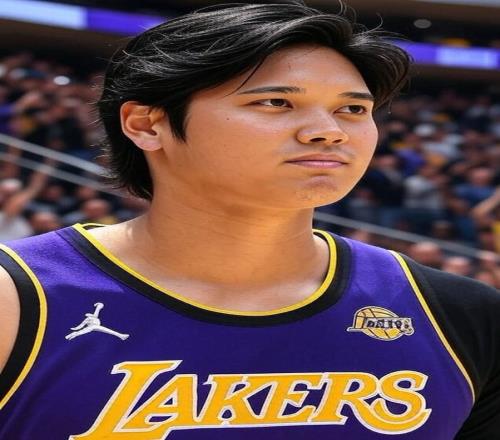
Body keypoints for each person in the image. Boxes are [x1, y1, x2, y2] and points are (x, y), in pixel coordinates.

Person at [0, 2, 498, 439]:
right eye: (276, 102)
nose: (328, 132)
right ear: (147, 124)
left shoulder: (461, 315)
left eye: (352, 108)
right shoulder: (16, 301)